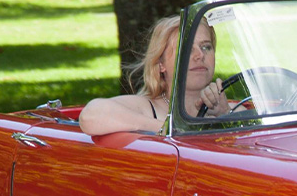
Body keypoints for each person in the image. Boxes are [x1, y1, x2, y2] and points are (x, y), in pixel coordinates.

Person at [79, 16, 231, 136]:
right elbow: (91, 115)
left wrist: (225, 116)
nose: (200, 55)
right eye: (185, 49)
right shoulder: (147, 108)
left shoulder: (230, 109)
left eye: (206, 47)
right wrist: (169, 129)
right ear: (161, 64)